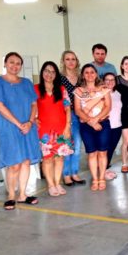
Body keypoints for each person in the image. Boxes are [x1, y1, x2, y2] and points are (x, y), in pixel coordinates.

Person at [0, 52, 42, 210]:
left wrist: (30, 122)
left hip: (28, 127)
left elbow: (33, 104)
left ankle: (23, 194)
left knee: (26, 161)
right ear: (5, 63)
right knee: (14, 164)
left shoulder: (26, 82)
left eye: (18, 63)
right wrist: (20, 124)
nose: (14, 66)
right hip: (10, 128)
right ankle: (11, 195)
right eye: (11, 62)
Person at [35, 61, 73, 197]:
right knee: (47, 159)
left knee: (59, 158)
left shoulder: (62, 89)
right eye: (46, 71)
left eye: (52, 71)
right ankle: (51, 185)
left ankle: (58, 183)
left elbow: (68, 108)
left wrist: (68, 126)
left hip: (61, 129)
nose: (49, 74)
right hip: (44, 131)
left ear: (56, 74)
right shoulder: (36, 89)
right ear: (42, 72)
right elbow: (30, 107)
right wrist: (33, 119)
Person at [74, 64, 111, 191]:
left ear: (96, 74)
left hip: (103, 124)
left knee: (102, 152)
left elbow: (108, 107)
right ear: (83, 75)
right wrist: (91, 122)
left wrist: (97, 119)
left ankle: (102, 178)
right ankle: (95, 179)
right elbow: (78, 110)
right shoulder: (78, 91)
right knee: (91, 153)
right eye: (86, 72)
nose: (89, 75)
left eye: (92, 72)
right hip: (86, 125)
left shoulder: (104, 89)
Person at [60, 50, 86, 186]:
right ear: (63, 61)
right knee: (66, 145)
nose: (71, 62)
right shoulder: (60, 78)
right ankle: (66, 174)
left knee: (77, 145)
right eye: (68, 59)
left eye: (73, 59)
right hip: (65, 115)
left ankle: (74, 172)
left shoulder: (81, 78)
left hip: (79, 114)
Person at [103, 72, 122, 180]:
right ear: (103, 81)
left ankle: (105, 167)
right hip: (106, 125)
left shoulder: (118, 94)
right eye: (107, 79)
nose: (110, 82)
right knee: (104, 149)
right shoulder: (100, 93)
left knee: (111, 149)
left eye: (112, 80)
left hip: (117, 126)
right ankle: (103, 170)